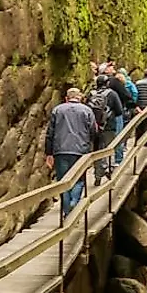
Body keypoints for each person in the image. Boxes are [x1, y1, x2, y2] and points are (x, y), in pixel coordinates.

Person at [44, 87, 99, 217]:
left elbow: (50, 133)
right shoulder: (87, 110)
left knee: (63, 181)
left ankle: (67, 209)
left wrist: (49, 153)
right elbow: (93, 131)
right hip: (81, 150)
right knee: (79, 179)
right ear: (79, 97)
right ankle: (74, 202)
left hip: (60, 150)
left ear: (66, 98)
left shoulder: (57, 110)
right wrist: (91, 145)